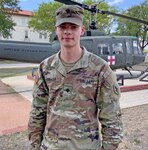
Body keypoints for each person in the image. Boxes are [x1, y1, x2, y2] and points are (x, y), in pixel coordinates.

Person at [28, 5, 123, 150]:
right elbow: (37, 113)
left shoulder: (100, 69)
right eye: (63, 27)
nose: (67, 31)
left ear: (82, 30)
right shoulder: (45, 68)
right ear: (56, 30)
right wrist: (34, 146)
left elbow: (112, 119)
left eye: (73, 27)